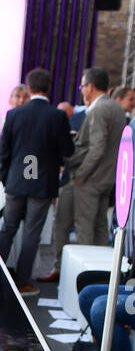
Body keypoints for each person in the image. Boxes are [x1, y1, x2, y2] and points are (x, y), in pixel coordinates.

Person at [0, 66, 73, 295]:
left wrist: (6, 177)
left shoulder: (14, 114)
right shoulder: (57, 116)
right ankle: (22, 282)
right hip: (42, 183)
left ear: (28, 89)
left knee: (7, 229)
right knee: (31, 233)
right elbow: (67, 149)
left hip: (16, 182)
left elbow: (5, 151)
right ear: (48, 88)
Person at [52, 67, 128, 265]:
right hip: (106, 178)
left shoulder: (100, 109)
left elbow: (97, 147)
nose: (81, 90)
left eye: (83, 86)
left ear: (91, 87)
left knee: (84, 228)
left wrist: (81, 175)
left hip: (90, 179)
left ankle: (84, 275)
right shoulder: (116, 108)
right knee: (100, 226)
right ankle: (100, 273)